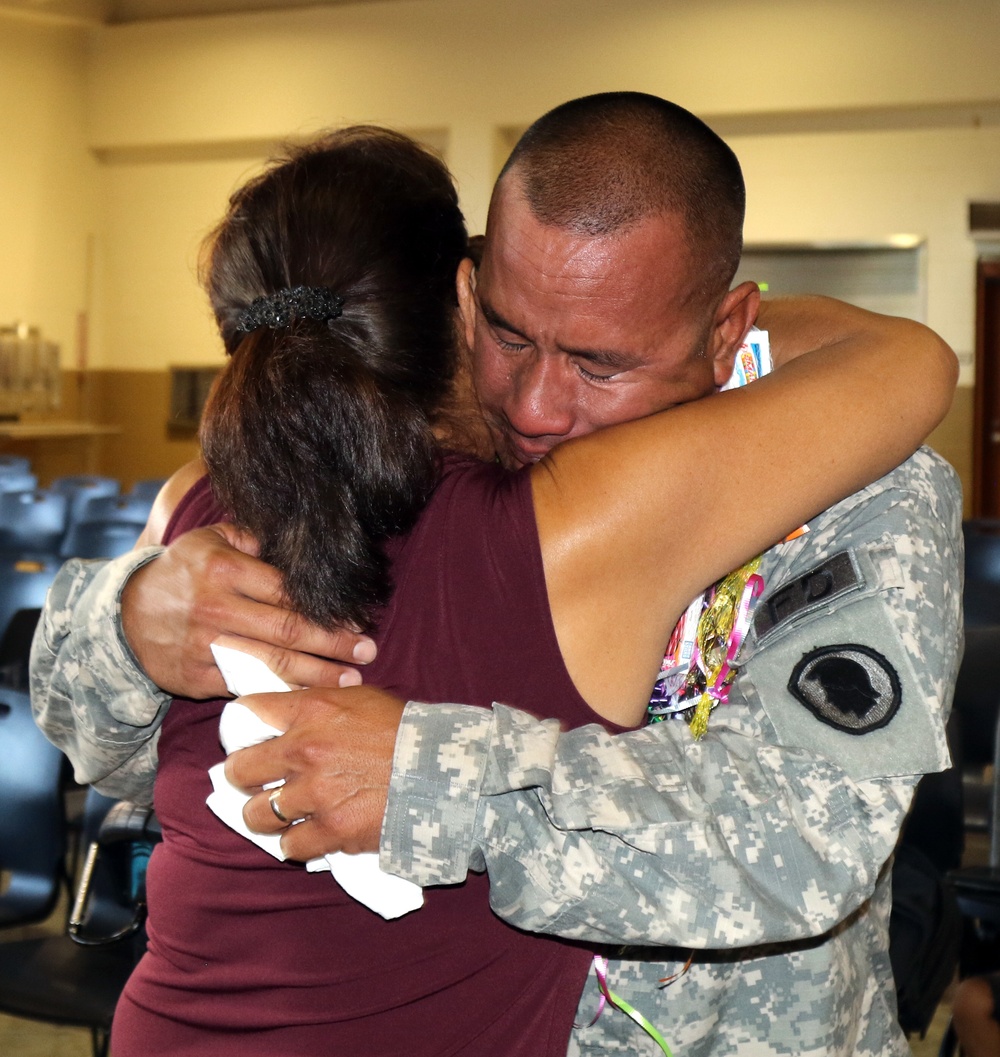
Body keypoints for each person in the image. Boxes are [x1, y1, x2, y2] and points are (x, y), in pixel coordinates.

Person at [31, 93, 962, 1056]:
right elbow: (122, 756)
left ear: (727, 330)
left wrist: (430, 773)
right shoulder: (389, 471)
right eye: (510, 335)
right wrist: (126, 618)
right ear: (465, 297)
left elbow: (808, 838)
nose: (537, 405)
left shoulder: (865, 483)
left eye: (602, 363)